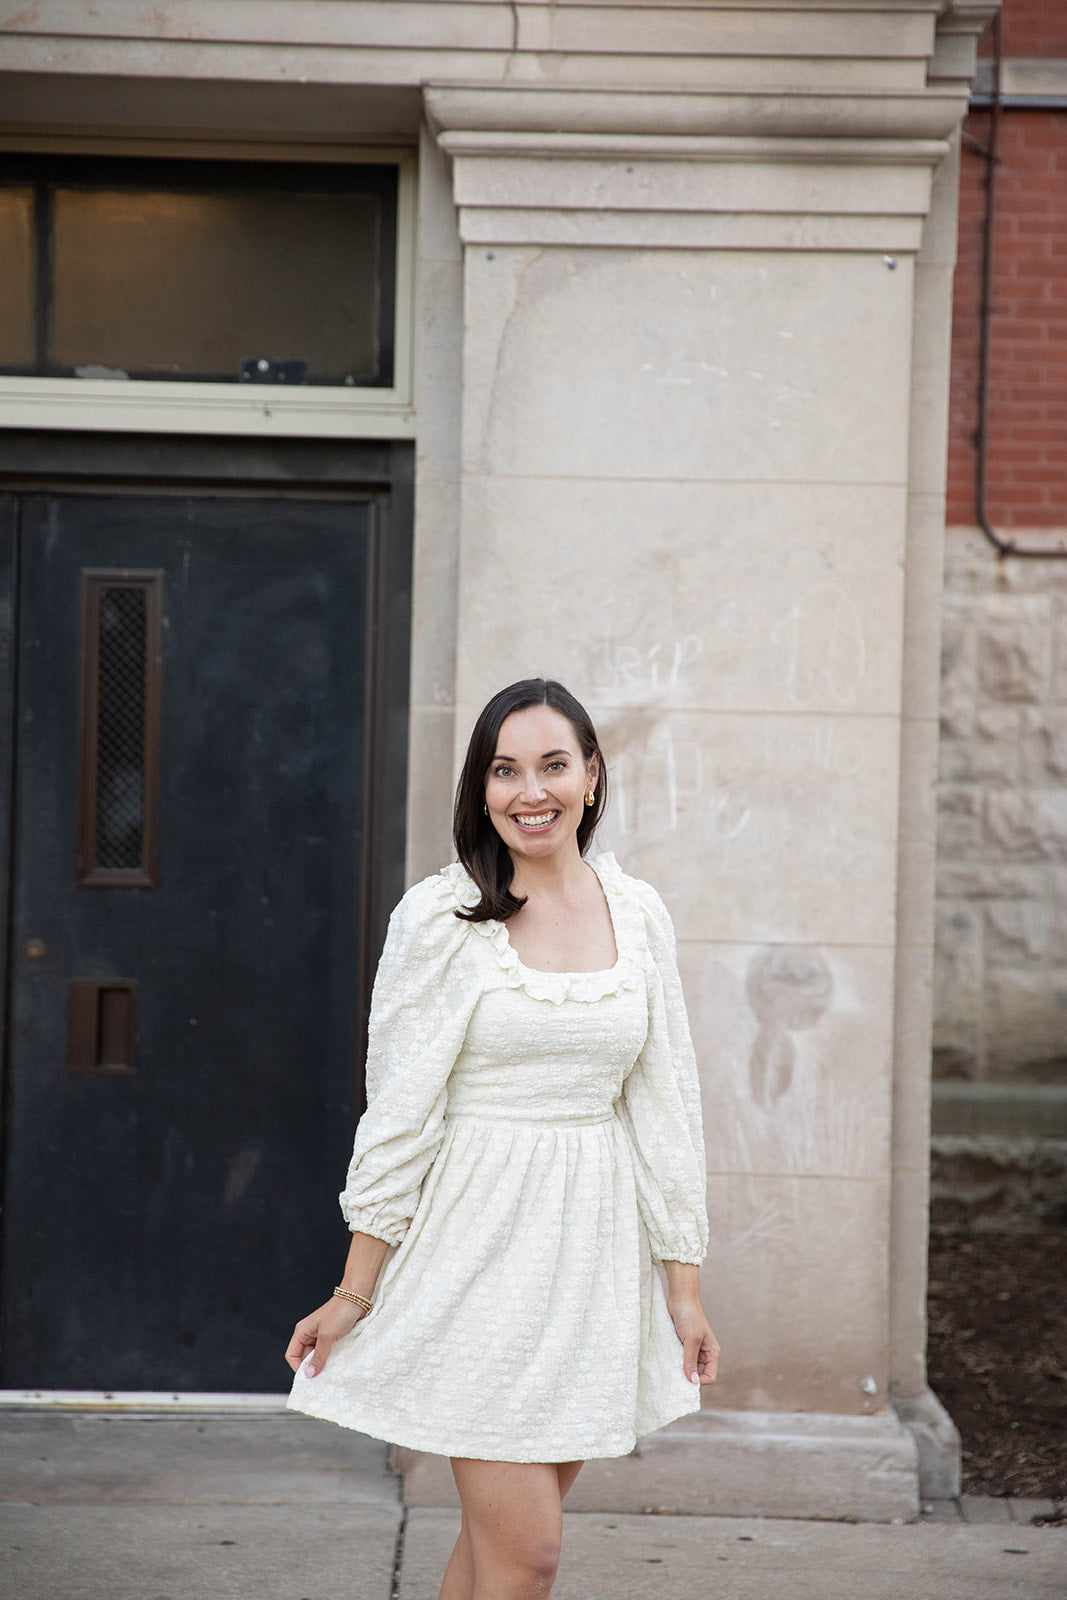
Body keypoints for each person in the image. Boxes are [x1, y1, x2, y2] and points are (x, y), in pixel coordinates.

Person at [285, 677, 719, 1600]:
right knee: (529, 1555)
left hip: (592, 1260)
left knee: (494, 1555)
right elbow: (400, 1114)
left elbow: (665, 1101)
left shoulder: (636, 912)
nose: (532, 791)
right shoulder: (441, 917)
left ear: (592, 776)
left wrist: (681, 1288)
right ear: (480, 790)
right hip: (474, 1250)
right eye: (504, 769)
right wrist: (353, 1289)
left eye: (553, 765)